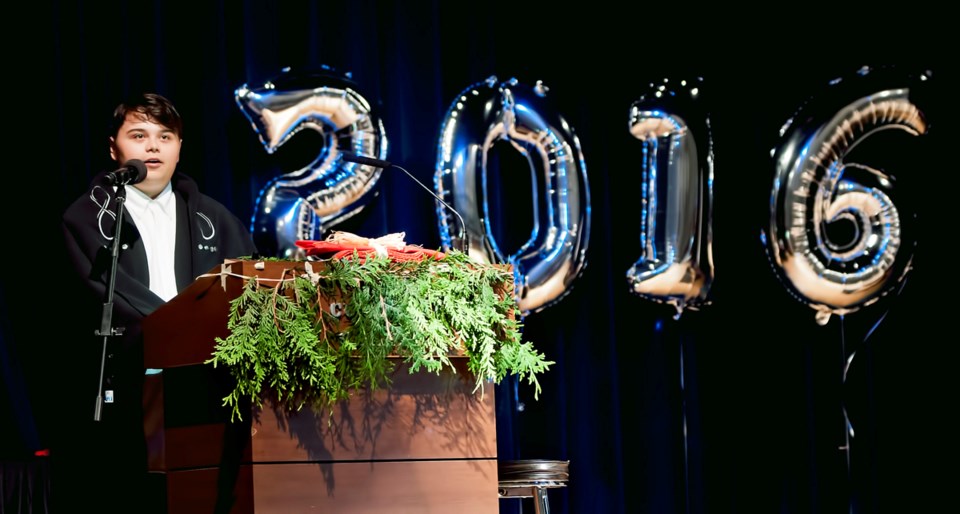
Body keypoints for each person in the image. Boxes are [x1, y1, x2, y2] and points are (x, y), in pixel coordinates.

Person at [57, 92, 256, 513]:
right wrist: (178, 330)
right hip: (129, 385)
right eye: (139, 135)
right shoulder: (85, 217)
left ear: (179, 148)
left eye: (165, 136)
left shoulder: (215, 218)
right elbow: (103, 291)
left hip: (209, 382)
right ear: (114, 148)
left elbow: (246, 288)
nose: (152, 146)